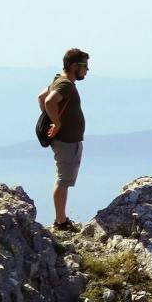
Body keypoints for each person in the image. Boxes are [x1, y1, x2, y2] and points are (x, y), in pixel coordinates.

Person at [37, 48, 90, 231]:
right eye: (84, 66)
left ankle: (61, 219)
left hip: (66, 140)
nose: (87, 70)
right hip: (66, 141)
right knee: (63, 181)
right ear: (75, 66)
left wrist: (52, 119)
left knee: (64, 180)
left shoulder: (58, 79)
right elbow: (49, 101)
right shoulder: (66, 84)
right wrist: (56, 123)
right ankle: (61, 222)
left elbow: (41, 97)